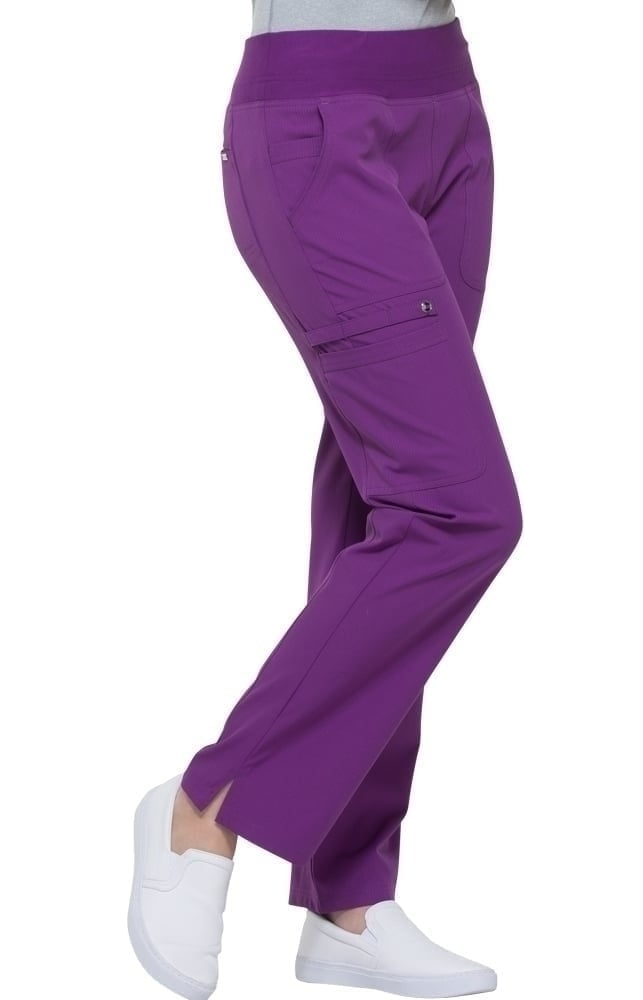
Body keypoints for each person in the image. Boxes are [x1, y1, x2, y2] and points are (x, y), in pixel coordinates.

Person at [128, 2, 523, 998]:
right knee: (455, 509)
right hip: (318, 115)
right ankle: (206, 802)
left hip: (446, 103)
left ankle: (349, 892)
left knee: (386, 490)